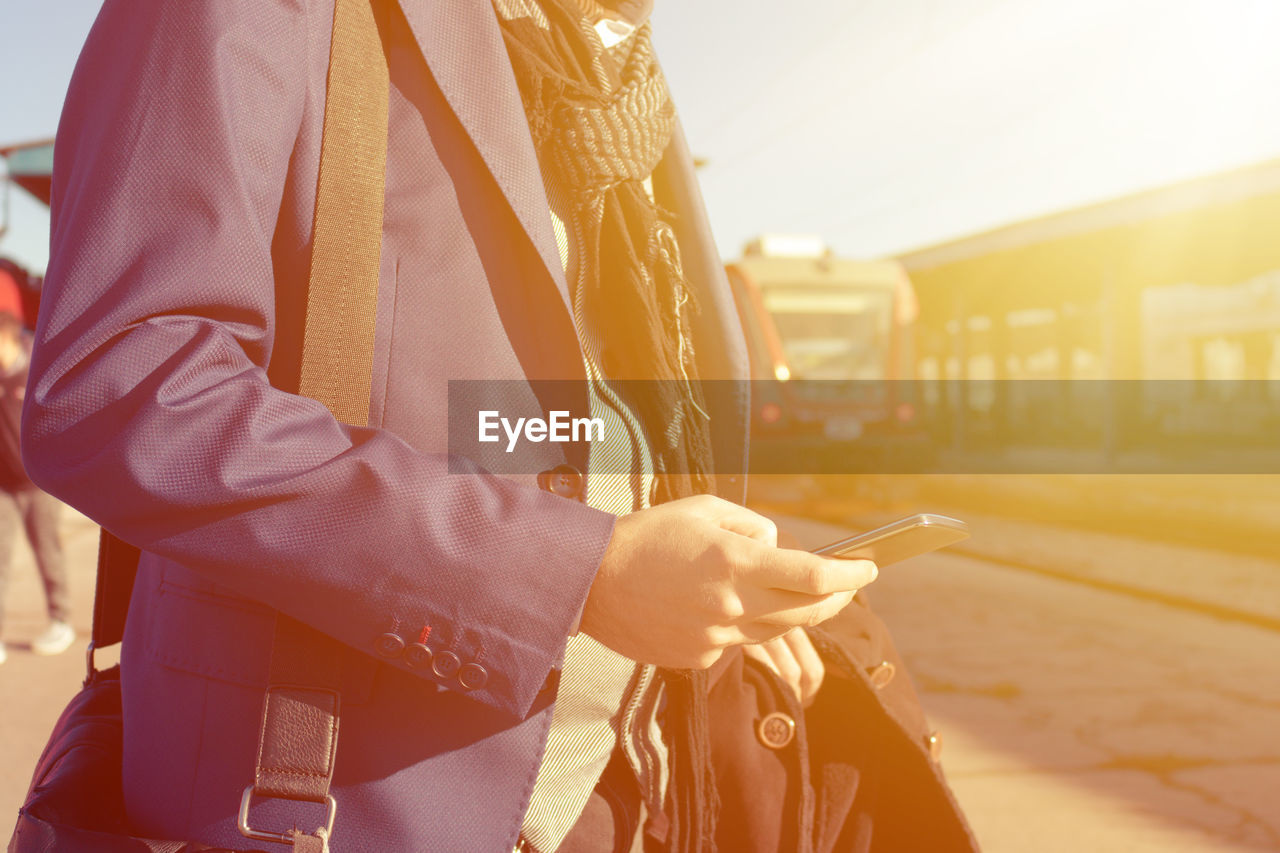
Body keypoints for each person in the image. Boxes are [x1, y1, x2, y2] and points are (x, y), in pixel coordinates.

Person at [25, 0, 970, 851]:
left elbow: (531, 419)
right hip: (338, 809)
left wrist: (713, 581)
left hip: (631, 799)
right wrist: (573, 574)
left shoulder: (614, 79)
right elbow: (128, 381)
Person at [0, 267, 71, 664]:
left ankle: (60, 619)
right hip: (4, 485)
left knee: (48, 551)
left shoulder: (37, 367)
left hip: (39, 482)